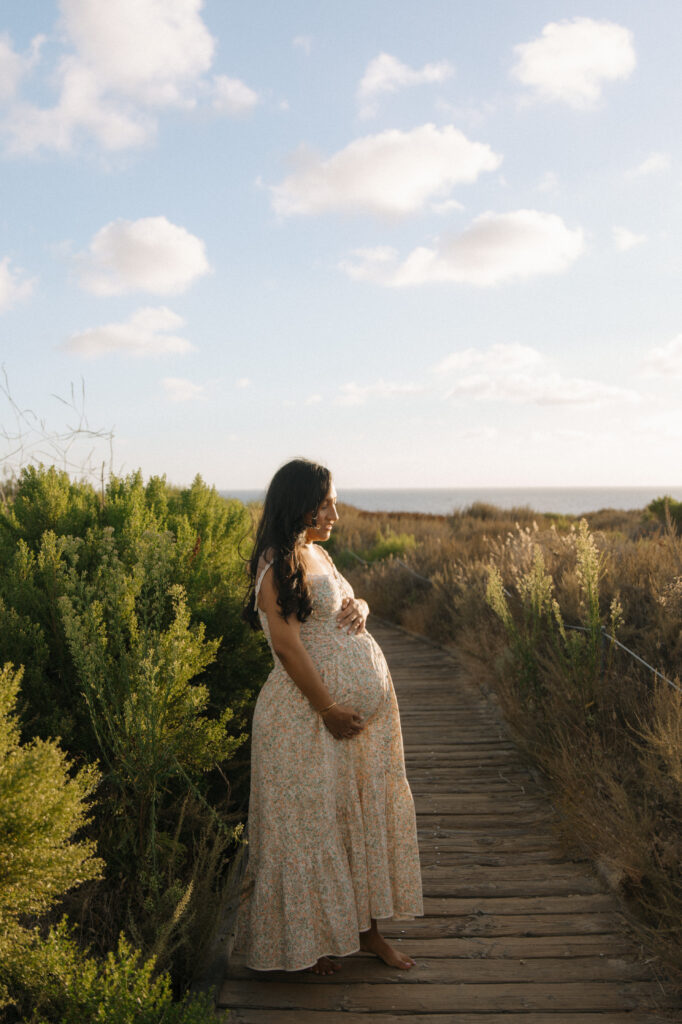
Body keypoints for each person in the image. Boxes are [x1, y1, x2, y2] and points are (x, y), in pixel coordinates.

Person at [233, 458, 423, 975]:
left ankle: (367, 936)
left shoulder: (315, 552)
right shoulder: (277, 563)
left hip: (346, 727)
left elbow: (341, 599)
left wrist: (360, 604)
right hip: (303, 722)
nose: (336, 512)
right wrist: (329, 709)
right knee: (305, 832)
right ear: (300, 505)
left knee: (350, 826)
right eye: (326, 503)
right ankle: (308, 943)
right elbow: (289, 648)